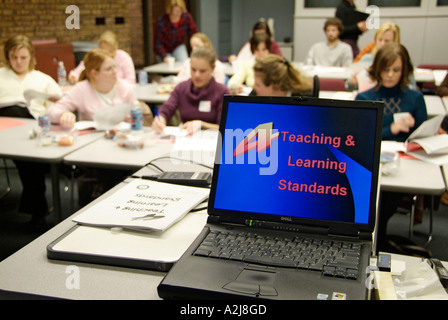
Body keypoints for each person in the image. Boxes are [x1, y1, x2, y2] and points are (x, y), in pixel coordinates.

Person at [355, 43, 428, 252]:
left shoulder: (415, 98)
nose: (389, 75)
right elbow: (361, 138)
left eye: (396, 70)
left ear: (404, 71)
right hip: (372, 163)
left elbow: (422, 138)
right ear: (376, 69)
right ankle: (375, 242)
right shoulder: (365, 98)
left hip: (403, 167)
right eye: (385, 69)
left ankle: (381, 241)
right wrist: (393, 128)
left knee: (386, 201)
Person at [0, 35, 63, 227]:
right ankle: (38, 212)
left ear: (31, 57)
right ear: (7, 57)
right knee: (14, 109)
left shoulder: (42, 79)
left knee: (28, 158)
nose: (18, 62)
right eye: (13, 57)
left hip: (33, 132)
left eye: (23, 57)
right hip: (4, 130)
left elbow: (61, 106)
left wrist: (54, 103)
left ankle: (37, 211)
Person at [152, 47, 230, 134]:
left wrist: (201, 124)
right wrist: (160, 120)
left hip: (212, 142)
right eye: (193, 69)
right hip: (186, 139)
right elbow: (166, 109)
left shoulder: (222, 92)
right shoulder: (181, 88)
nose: (197, 75)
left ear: (212, 69)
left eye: (202, 71)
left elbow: (224, 127)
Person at [348, 21, 402, 92]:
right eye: (380, 40)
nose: (382, 44)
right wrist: (352, 83)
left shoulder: (401, 61)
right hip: (368, 100)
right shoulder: (367, 59)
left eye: (387, 41)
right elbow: (350, 87)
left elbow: (410, 87)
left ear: (395, 42)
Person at [69, 30, 136, 84]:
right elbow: (76, 73)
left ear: (115, 48)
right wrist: (73, 77)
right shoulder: (95, 57)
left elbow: (131, 80)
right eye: (103, 52)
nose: (107, 56)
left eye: (110, 52)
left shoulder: (124, 57)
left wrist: (113, 81)